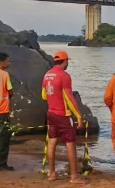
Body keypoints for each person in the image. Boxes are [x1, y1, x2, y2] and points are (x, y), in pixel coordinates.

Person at [41, 51, 86, 184]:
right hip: (63, 114)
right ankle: (74, 177)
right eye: (67, 61)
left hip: (51, 113)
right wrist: (78, 116)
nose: (68, 64)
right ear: (64, 61)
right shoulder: (64, 75)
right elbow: (69, 98)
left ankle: (52, 174)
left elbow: (43, 95)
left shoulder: (47, 74)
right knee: (70, 144)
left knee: (52, 142)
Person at [0, 52, 14, 171]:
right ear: (1, 62)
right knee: (4, 138)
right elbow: (10, 92)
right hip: (1, 111)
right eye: (7, 60)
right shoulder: (4, 75)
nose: (8, 63)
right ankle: (1, 163)